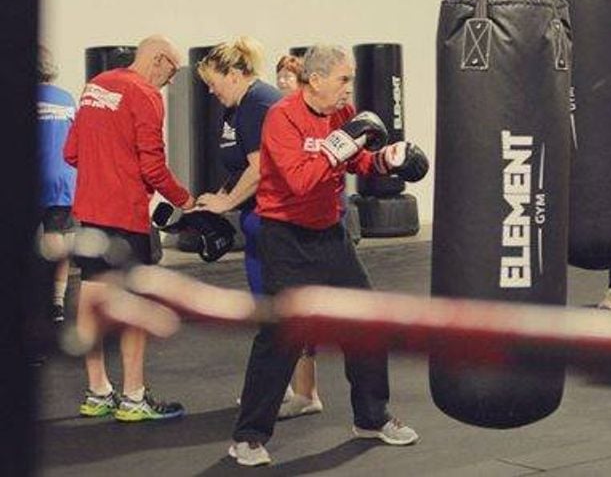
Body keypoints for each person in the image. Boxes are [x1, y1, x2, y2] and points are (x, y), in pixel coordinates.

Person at [228, 45, 428, 467]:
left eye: (351, 78)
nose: (348, 88)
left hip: (330, 234)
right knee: (283, 334)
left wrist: (387, 161)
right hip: (285, 237)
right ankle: (247, 437)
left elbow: (356, 161)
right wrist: (342, 144)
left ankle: (371, 418)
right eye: (343, 78)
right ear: (315, 80)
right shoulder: (281, 119)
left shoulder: (343, 113)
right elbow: (300, 180)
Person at [65, 35, 194, 421]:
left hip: (90, 210)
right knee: (134, 306)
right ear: (157, 60)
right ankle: (134, 397)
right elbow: (151, 167)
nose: (169, 83)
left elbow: (70, 152)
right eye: (170, 72)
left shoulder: (95, 86)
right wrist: (185, 199)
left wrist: (103, 171)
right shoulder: (144, 94)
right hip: (126, 214)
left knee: (91, 301)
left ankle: (98, 391)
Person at [193, 38, 323, 420]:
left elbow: (263, 166)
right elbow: (240, 166)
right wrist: (215, 197)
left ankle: (306, 393)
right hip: (259, 223)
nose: (212, 91)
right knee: (271, 312)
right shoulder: (238, 108)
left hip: (279, 221)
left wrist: (226, 203)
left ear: (234, 74)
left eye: (214, 82)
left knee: (285, 309)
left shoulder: (258, 104)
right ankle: (281, 388)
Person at [36, 46, 77, 325]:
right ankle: (57, 302)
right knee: (58, 237)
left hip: (33, 176)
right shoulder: (67, 99)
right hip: (64, 177)